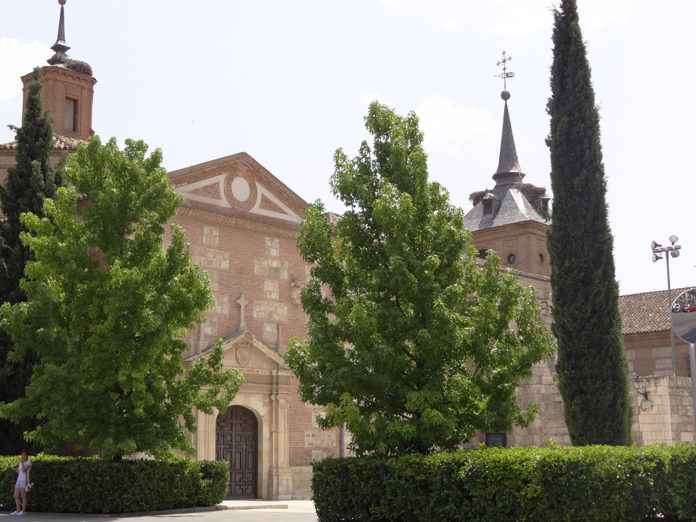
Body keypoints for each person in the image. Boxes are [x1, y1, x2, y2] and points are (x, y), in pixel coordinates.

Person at [10, 450, 31, 516]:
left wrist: (21, 463)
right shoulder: (20, 463)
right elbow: (20, 472)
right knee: (16, 496)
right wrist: (16, 470)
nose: (23, 456)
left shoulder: (28, 462)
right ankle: (18, 510)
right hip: (18, 480)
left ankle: (23, 511)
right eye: (22, 455)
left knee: (23, 496)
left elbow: (24, 470)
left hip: (24, 480)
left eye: (24, 455)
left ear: (27, 456)